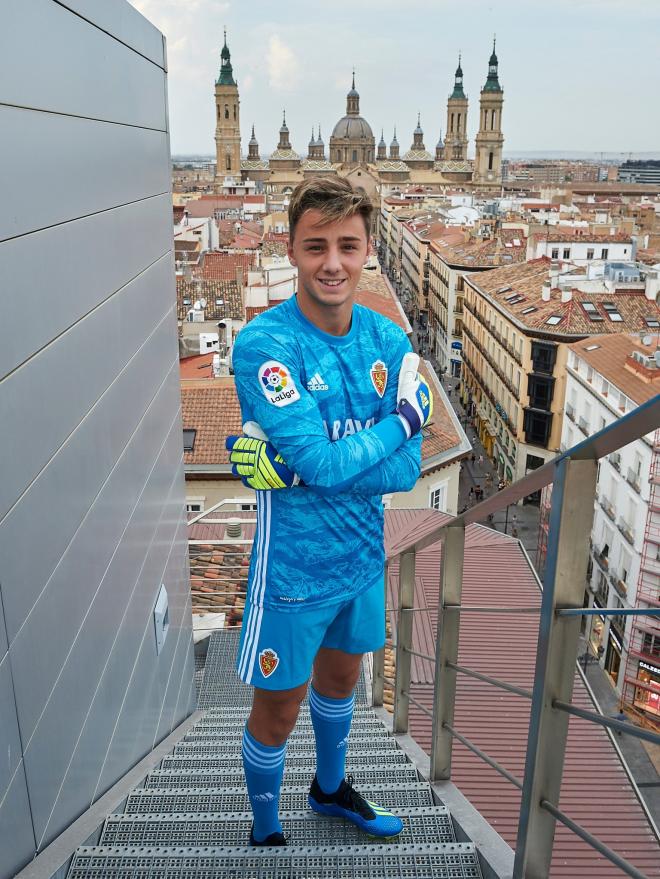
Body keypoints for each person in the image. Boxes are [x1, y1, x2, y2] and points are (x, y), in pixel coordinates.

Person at [225, 177, 433, 847]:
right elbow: (326, 462)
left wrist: (321, 462)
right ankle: (264, 823)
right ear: (291, 249)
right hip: (291, 572)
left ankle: (330, 788)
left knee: (343, 680)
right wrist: (402, 417)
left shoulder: (388, 338)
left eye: (348, 245)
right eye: (316, 246)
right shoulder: (264, 346)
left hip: (360, 562)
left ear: (369, 248)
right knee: (280, 710)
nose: (333, 262)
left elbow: (405, 469)